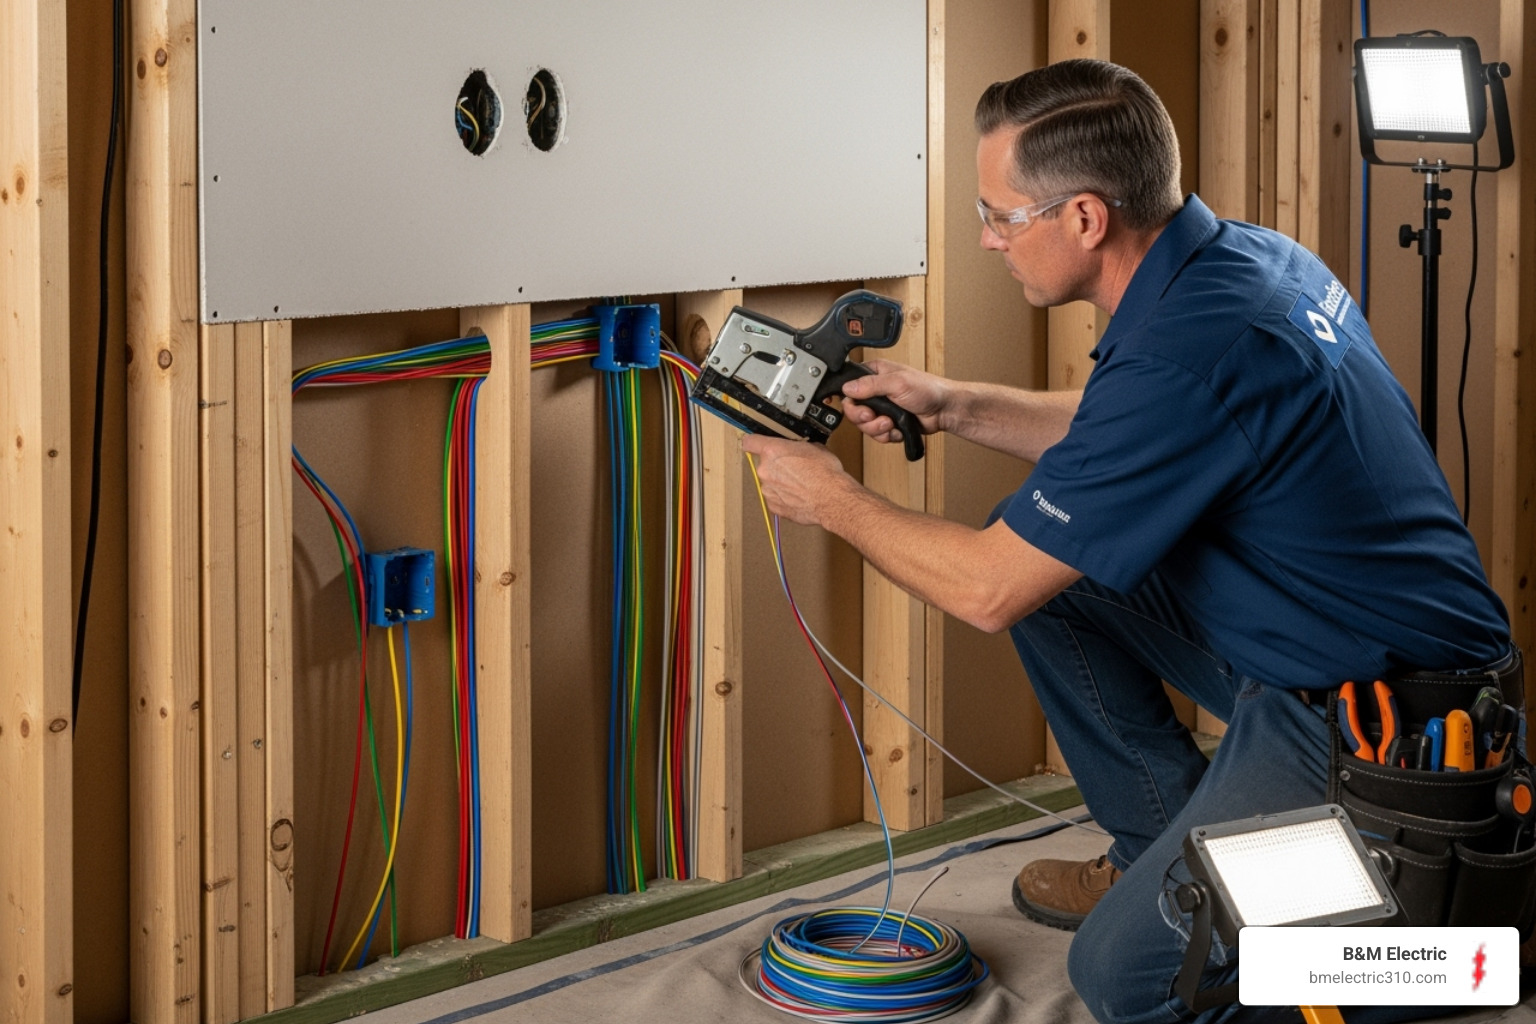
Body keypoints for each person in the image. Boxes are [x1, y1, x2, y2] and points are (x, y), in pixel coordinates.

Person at [740, 58, 1515, 1023]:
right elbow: (1135, 431)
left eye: (1000, 216)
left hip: (1380, 733)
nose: (986, 239)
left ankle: (1455, 962)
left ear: (1085, 218)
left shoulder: (1192, 350)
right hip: (1314, 653)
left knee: (1131, 978)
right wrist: (956, 403)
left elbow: (988, 590)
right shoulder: (1240, 263)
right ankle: (1164, 853)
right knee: (1065, 578)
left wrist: (836, 502)